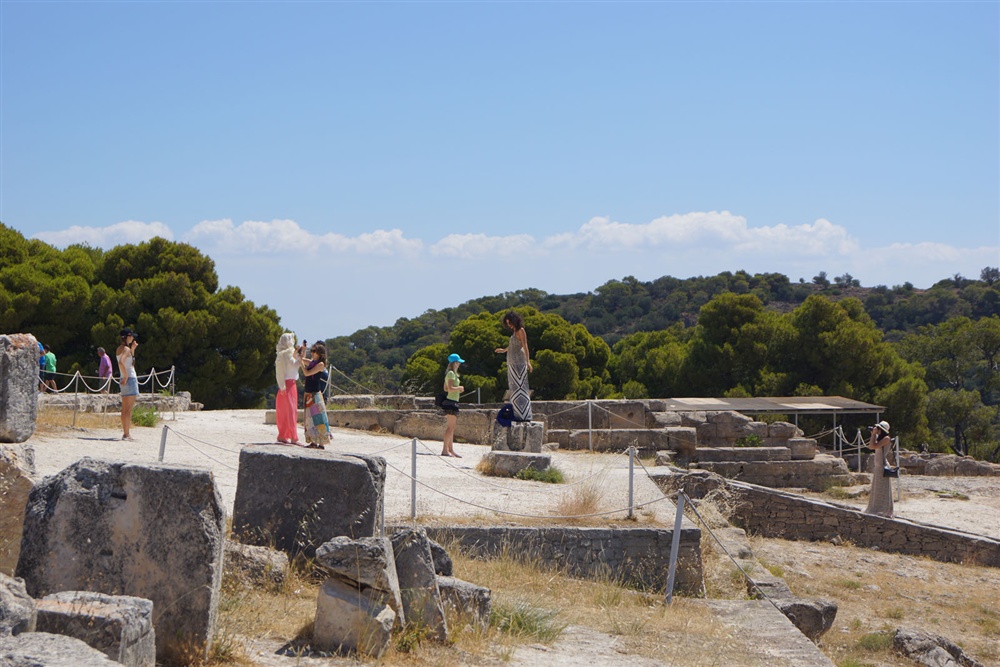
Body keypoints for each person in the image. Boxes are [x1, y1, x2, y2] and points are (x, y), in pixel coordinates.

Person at [494, 310, 533, 421]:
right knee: (514, 388)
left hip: (519, 363)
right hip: (511, 362)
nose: (509, 325)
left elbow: (525, 346)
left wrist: (528, 361)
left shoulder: (521, 331)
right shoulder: (514, 332)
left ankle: (524, 414)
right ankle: (516, 413)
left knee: (521, 387)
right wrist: (503, 350)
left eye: (509, 322)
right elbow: (512, 346)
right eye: (507, 323)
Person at [300, 341, 332, 449]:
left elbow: (307, 373)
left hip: (315, 394)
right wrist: (303, 350)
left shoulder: (320, 365)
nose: (312, 353)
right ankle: (313, 441)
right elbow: (302, 359)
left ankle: (321, 443)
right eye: (311, 351)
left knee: (319, 419)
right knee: (309, 419)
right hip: (308, 394)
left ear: (319, 353)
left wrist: (301, 363)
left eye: (314, 351)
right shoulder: (312, 363)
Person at [274, 333, 301, 444]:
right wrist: (300, 356)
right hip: (290, 385)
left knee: (284, 412)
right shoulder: (288, 352)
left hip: (282, 386)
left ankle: (282, 435)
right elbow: (294, 364)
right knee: (291, 412)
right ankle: (293, 437)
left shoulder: (280, 354)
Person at [864, 420, 894, 518]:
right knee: (877, 487)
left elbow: (872, 446)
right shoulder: (880, 438)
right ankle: (876, 507)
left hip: (882, 465)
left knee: (883, 488)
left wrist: (873, 434)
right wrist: (874, 435)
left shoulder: (886, 438)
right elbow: (871, 446)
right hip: (878, 465)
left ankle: (883, 509)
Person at [116, 329, 139, 441]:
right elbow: (122, 363)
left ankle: (126, 432)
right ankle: (127, 434)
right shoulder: (126, 349)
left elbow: (128, 362)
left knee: (124, 408)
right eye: (131, 336)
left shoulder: (119, 349)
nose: (132, 339)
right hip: (129, 378)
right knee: (128, 409)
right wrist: (126, 376)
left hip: (124, 378)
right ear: (127, 337)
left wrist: (133, 350)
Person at [440, 353, 464, 457]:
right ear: (454, 363)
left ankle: (450, 449)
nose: (459, 364)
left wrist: (456, 390)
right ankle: (445, 450)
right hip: (451, 402)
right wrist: (458, 388)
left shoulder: (451, 374)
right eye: (458, 362)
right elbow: (449, 389)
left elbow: (445, 388)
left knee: (452, 428)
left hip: (453, 401)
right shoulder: (450, 374)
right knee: (450, 427)